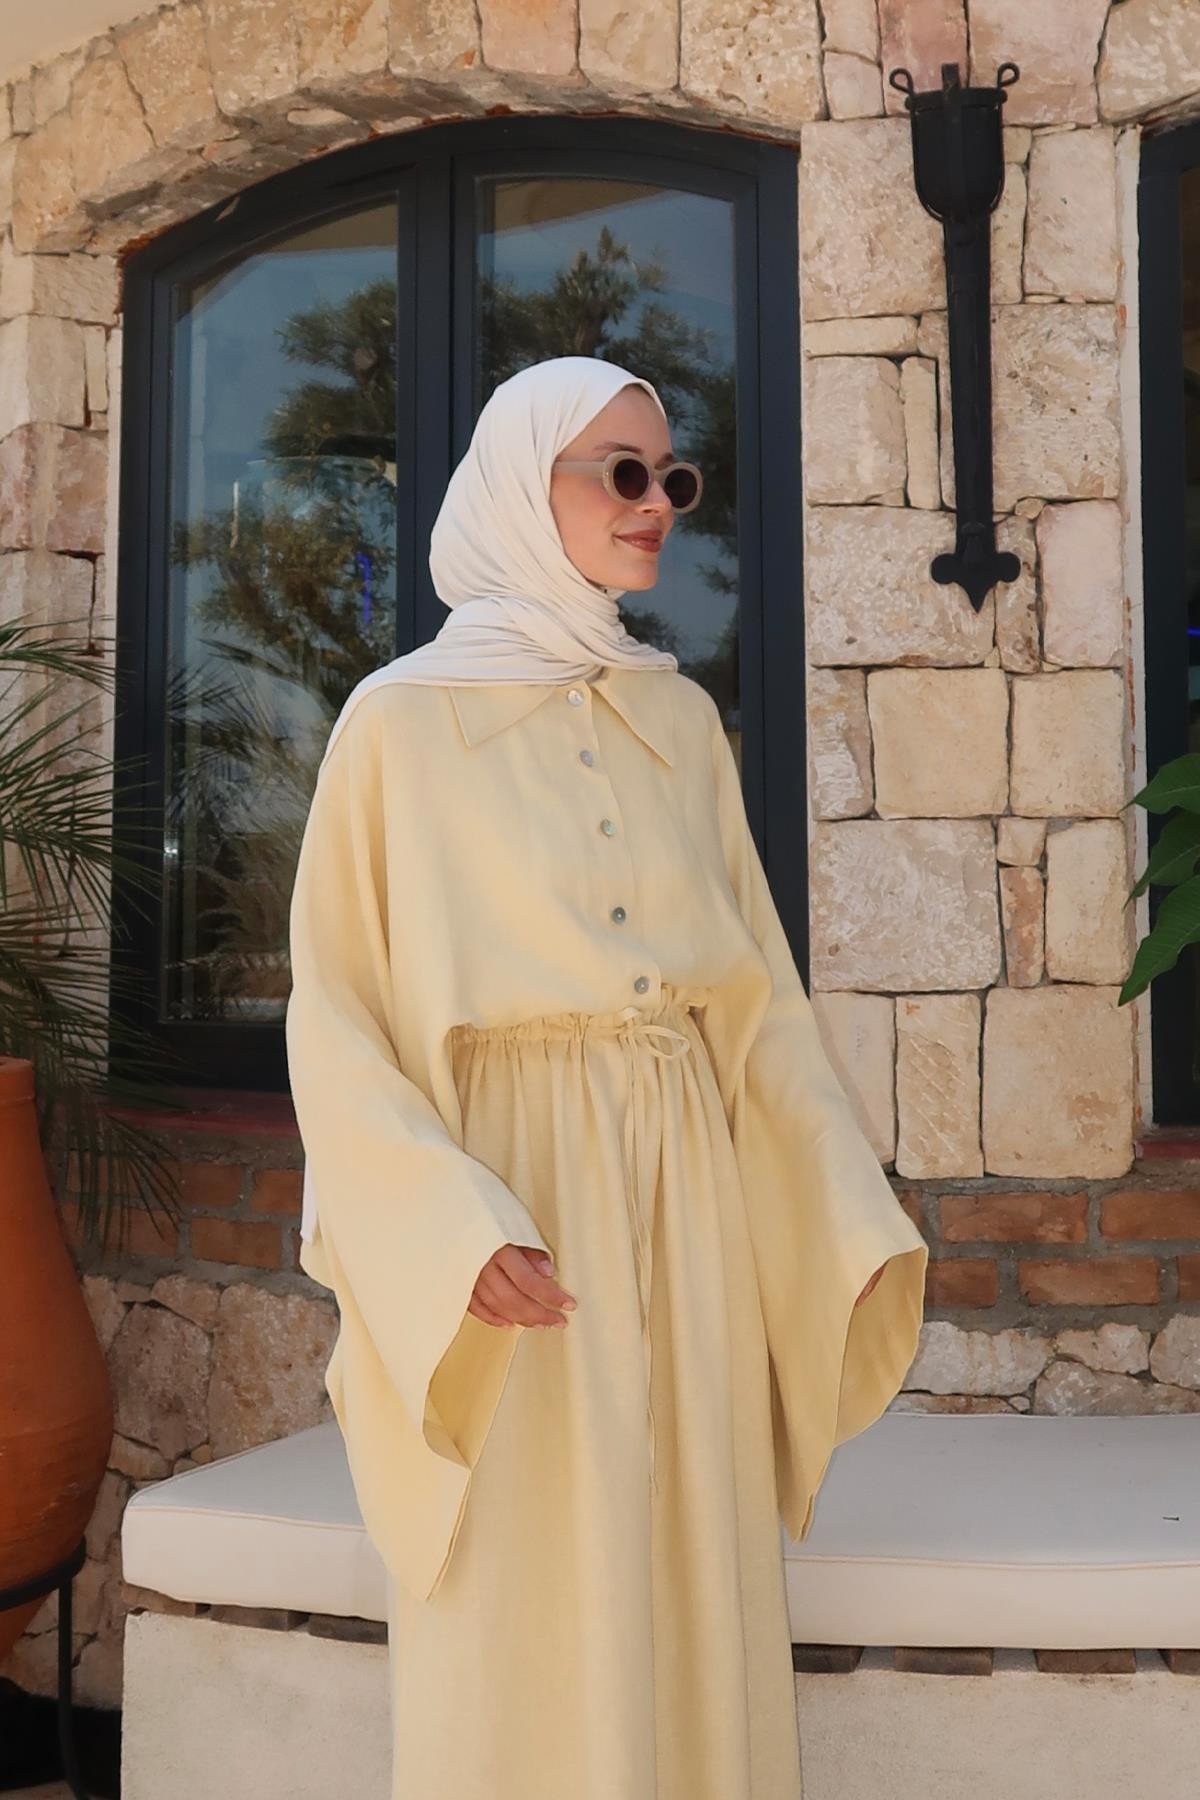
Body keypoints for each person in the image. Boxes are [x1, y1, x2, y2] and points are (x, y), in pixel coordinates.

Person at [284, 354, 928, 1799]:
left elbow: (756, 1007)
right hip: (515, 1196)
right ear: (526, 486)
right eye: (621, 473)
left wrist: (843, 1215)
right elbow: (336, 1015)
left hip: (686, 1196)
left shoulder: (678, 721)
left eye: (671, 477)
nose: (657, 505)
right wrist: (447, 1230)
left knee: (691, 1554)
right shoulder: (396, 722)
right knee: (525, 1578)